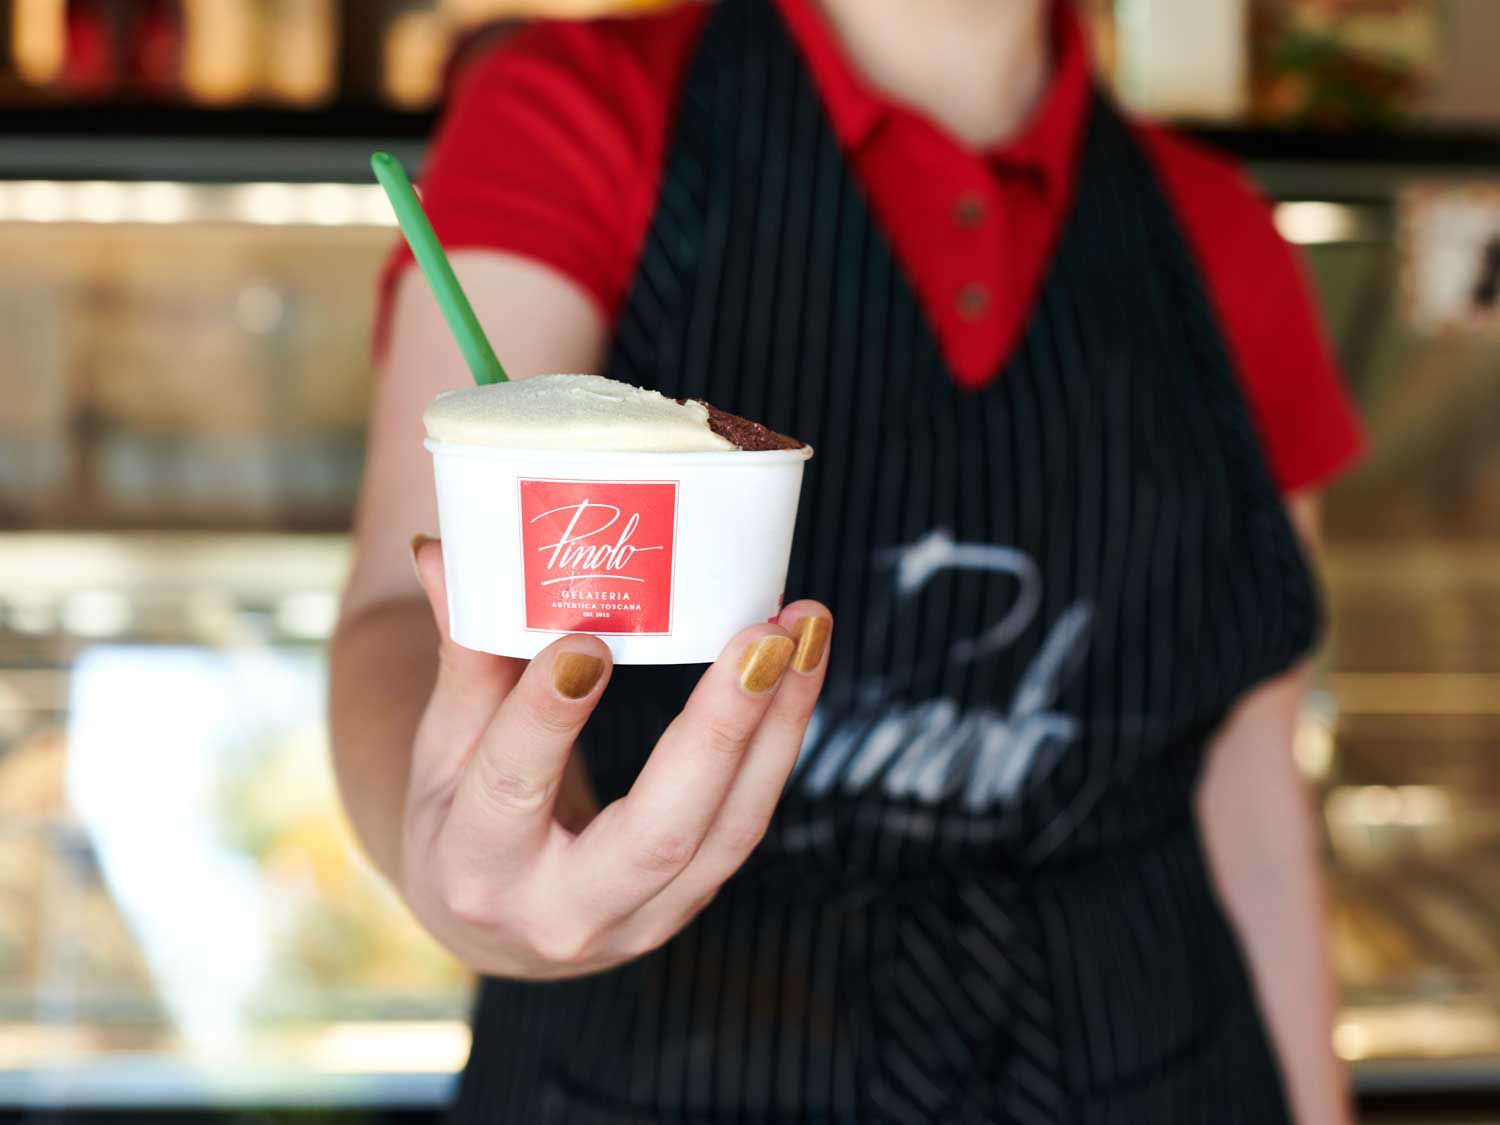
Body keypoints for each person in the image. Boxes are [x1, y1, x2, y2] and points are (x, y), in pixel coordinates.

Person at [330, 0, 1364, 1120]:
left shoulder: (1221, 231)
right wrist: (471, 857)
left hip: (1156, 1071)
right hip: (657, 1070)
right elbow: (409, 601)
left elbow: (1250, 790)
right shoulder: (577, 112)